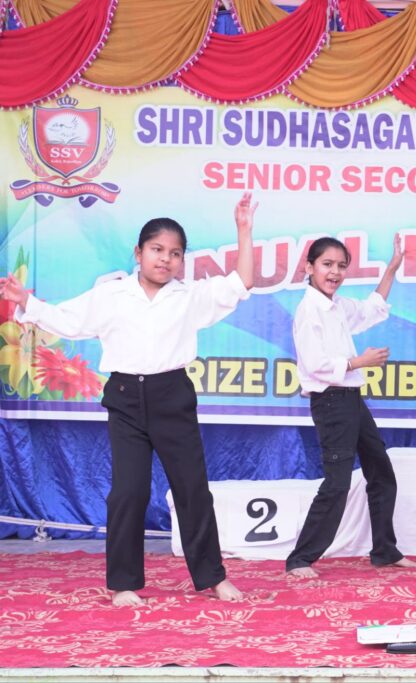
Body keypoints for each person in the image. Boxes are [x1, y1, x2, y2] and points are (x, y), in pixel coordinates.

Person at [0, 193, 259, 607]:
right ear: (138, 253)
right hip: (125, 400)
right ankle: (123, 583)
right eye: (157, 249)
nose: (165, 259)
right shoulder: (112, 294)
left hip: (173, 397)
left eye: (175, 253)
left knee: (193, 489)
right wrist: (25, 301)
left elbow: (241, 282)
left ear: (182, 261)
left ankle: (213, 577)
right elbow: (67, 320)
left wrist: (244, 229)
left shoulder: (189, 296)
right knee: (128, 492)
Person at [286, 234, 416, 578]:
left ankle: (385, 550)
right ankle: (300, 559)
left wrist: (392, 268)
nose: (335, 273)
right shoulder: (308, 311)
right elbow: (315, 365)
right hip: (330, 402)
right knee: (337, 484)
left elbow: (372, 309)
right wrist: (360, 361)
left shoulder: (338, 306)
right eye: (327, 265)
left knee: (381, 472)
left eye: (341, 266)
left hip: (351, 400)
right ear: (309, 267)